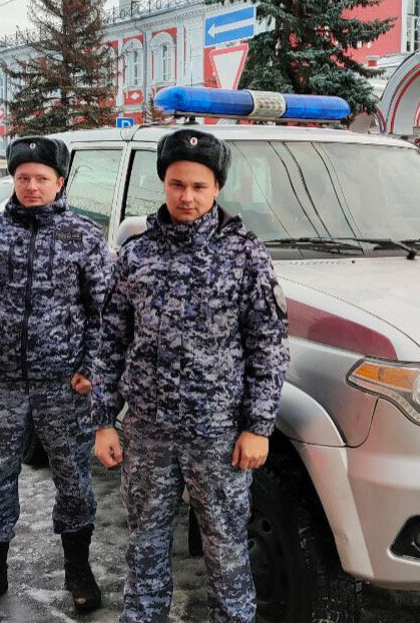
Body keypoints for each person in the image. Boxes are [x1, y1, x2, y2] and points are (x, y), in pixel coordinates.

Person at [93, 129, 290, 623]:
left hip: (219, 433)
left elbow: (268, 345)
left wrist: (258, 426)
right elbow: (110, 341)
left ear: (217, 188)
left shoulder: (245, 254)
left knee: (226, 550)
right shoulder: (136, 254)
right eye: (177, 183)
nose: (187, 196)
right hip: (148, 432)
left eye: (199, 186)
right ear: (162, 183)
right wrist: (102, 420)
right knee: (145, 546)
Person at [0, 136, 113, 619]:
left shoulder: (82, 235)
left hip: (64, 386)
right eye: (23, 178)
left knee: (74, 480)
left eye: (42, 178)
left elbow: (107, 313)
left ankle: (77, 570)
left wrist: (90, 368)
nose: (32, 186)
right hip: (0, 384)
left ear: (60, 182)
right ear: (12, 181)